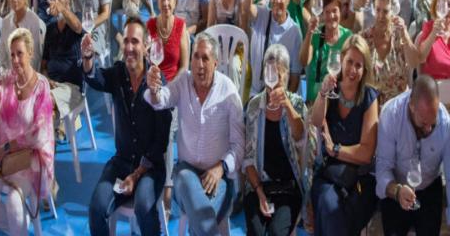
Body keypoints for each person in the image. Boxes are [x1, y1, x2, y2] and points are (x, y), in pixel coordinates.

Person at [145, 32, 245, 235]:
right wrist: (154, 90)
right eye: (196, 57)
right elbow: (160, 100)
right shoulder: (183, 82)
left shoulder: (229, 92)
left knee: (200, 220)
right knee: (194, 198)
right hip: (186, 173)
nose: (199, 64)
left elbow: (239, 145)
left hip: (219, 179)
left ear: (216, 63)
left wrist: (221, 168)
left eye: (205, 58)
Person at [79, 19, 172, 236]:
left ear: (146, 46)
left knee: (144, 206)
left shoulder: (157, 83)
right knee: (96, 210)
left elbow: (161, 141)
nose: (129, 47)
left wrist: (137, 175)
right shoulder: (119, 73)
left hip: (150, 166)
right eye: (126, 41)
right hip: (121, 162)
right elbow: (95, 78)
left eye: (135, 42)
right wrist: (88, 58)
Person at [0, 28, 54, 235]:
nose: (15, 60)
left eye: (20, 53)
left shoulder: (41, 87)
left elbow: (39, 135)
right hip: (3, 157)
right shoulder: (8, 79)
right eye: (12, 55)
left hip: (29, 159)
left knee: (13, 203)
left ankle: (18, 225)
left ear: (31, 53)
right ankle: (17, 228)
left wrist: (8, 147)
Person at [375, 75, 450, 236]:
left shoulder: (445, 123)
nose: (429, 129)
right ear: (412, 106)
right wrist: (397, 191)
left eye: (432, 122)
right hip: (397, 186)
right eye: (423, 123)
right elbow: (382, 169)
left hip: (429, 187)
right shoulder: (391, 115)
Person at [310, 34, 379, 235]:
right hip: (329, 175)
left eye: (359, 65)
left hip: (359, 180)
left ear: (364, 70)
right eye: (350, 62)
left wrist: (335, 149)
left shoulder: (369, 97)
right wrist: (322, 93)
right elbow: (316, 121)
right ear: (341, 59)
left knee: (337, 213)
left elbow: (366, 154)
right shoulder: (331, 90)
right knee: (328, 204)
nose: (353, 70)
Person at [243, 44, 307, 236]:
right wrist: (259, 191)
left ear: (287, 74)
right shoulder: (254, 106)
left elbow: (301, 138)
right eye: (269, 73)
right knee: (255, 231)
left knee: (277, 233)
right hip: (259, 185)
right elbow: (248, 158)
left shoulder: (296, 104)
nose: (274, 81)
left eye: (278, 74)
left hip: (288, 188)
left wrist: (287, 106)